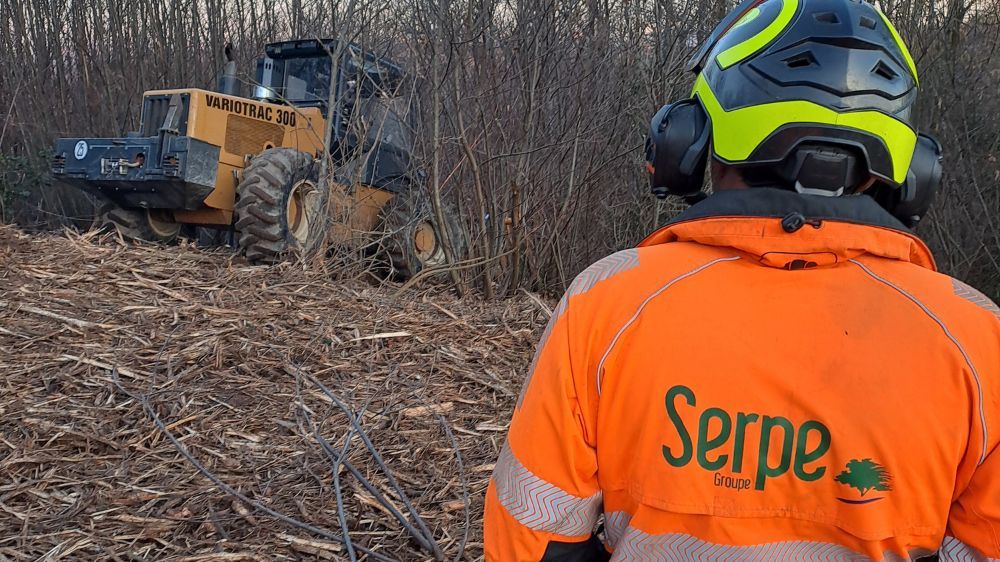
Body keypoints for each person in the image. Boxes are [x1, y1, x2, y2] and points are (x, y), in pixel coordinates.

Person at [483, 0, 1000, 560]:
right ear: (910, 172)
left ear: (688, 141)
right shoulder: (977, 340)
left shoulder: (608, 304)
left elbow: (531, 539)